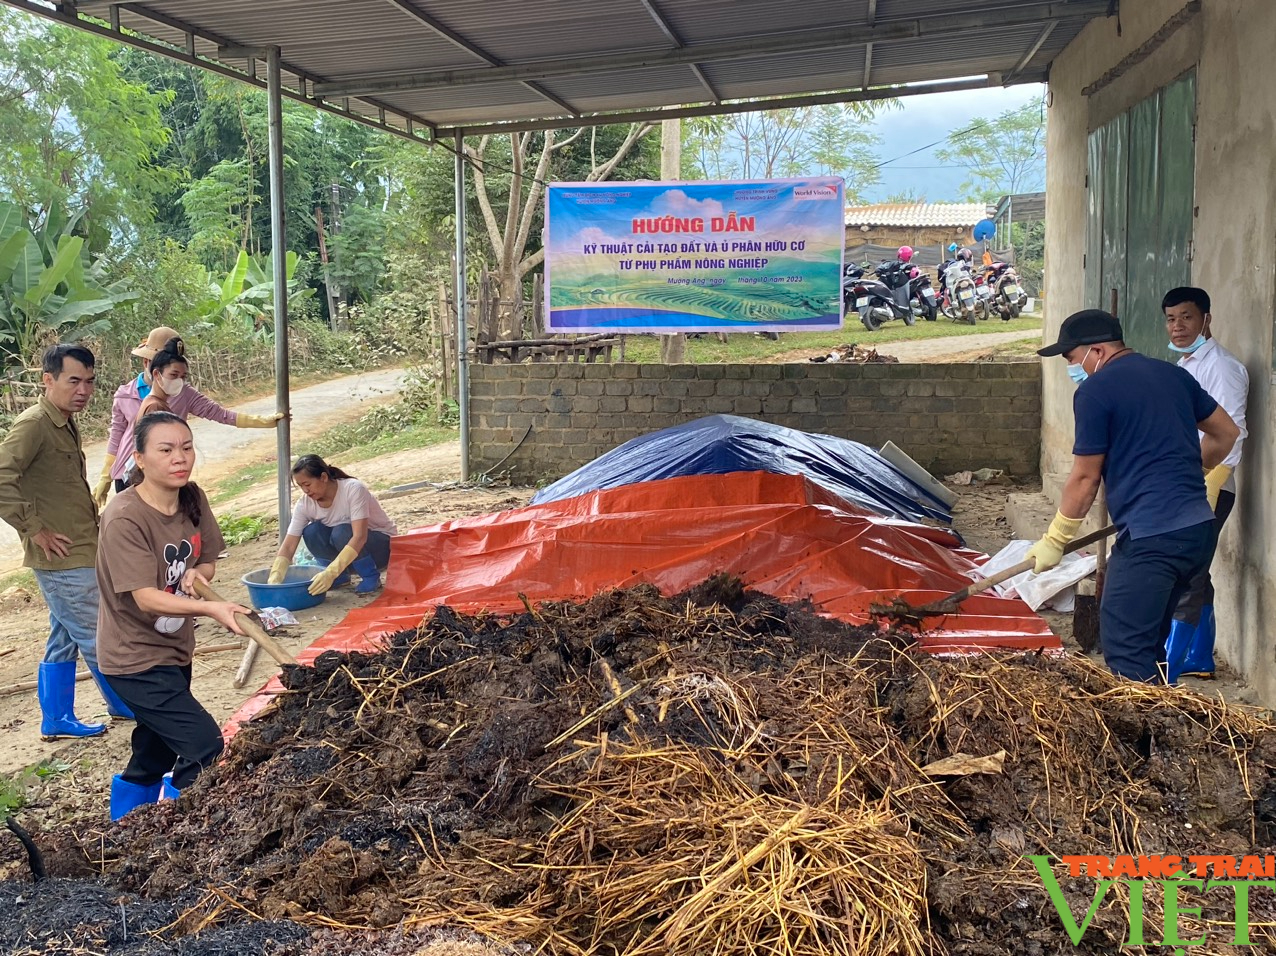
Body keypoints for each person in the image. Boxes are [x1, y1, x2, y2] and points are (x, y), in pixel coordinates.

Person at [1029, 310, 1240, 682]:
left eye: (1072, 359)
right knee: (1150, 643)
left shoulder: (1095, 391)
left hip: (1153, 539)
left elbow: (1084, 477)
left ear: (1096, 351)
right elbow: (1226, 432)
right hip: (1197, 532)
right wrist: (1189, 472)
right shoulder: (1173, 375)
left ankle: (1143, 735)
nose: (1072, 369)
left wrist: (1055, 539)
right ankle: (1166, 727)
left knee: (1126, 652)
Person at [97, 411, 251, 820]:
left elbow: (207, 559)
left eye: (186, 447)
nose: (179, 458)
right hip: (133, 660)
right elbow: (145, 598)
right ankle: (179, 830)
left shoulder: (192, 497)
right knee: (204, 746)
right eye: (165, 450)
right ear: (141, 458)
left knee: (154, 751)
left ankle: (123, 830)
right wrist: (211, 608)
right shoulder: (124, 517)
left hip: (173, 650)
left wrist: (200, 573)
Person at [0, 344, 133, 738]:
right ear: (48, 379)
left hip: (80, 547)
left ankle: (56, 718)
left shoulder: (63, 419)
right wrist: (34, 528)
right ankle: (130, 704)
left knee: (64, 635)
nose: (83, 390)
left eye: (89, 382)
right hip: (61, 556)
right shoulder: (34, 423)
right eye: (74, 381)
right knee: (98, 634)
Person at [1161, 287, 1250, 680]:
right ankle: (1199, 656)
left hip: (1211, 482)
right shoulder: (1184, 367)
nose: (1178, 326)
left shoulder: (1224, 367)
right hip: (1186, 480)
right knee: (1198, 569)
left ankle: (1168, 664)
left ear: (1206, 319)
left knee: (1187, 573)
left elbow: (1232, 433)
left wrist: (1205, 484)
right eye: (1171, 318)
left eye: (1187, 317)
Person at [93, 327, 284, 503]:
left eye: (181, 376)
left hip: (161, 473)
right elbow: (117, 434)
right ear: (148, 364)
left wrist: (262, 421)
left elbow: (219, 413)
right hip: (130, 474)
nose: (177, 380)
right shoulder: (126, 394)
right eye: (173, 373)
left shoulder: (182, 393)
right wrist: (106, 475)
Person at [268, 455, 398, 595]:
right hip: (348, 558)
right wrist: (276, 575)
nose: (305, 491)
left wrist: (330, 572)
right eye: (301, 487)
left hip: (381, 549)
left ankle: (370, 576)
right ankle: (340, 578)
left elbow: (359, 536)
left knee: (342, 531)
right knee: (312, 531)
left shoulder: (353, 489)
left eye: (307, 484)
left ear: (323, 477)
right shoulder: (304, 504)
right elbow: (289, 545)